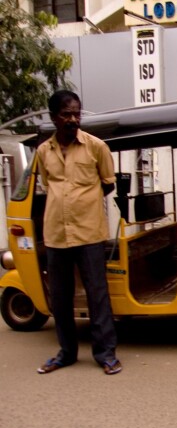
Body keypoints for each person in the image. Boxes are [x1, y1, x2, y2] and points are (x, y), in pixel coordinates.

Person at [36, 90, 122, 375]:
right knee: (60, 298)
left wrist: (82, 202)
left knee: (98, 295)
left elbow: (107, 184)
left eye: (77, 113)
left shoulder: (96, 147)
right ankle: (67, 352)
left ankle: (106, 354)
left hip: (89, 233)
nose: (73, 119)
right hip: (56, 235)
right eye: (66, 114)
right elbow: (49, 187)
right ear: (53, 118)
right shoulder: (42, 152)